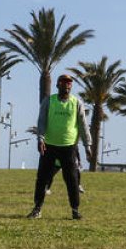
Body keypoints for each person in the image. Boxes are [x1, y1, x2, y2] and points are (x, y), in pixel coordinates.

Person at [27, 74, 91, 220]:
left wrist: (88, 145)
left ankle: (75, 210)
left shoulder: (77, 103)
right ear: (58, 85)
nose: (66, 86)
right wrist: (40, 139)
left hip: (68, 147)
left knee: (72, 180)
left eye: (69, 84)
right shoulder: (49, 101)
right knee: (42, 178)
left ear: (71, 87)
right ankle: (37, 209)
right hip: (49, 146)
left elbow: (83, 125)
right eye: (63, 83)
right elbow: (41, 121)